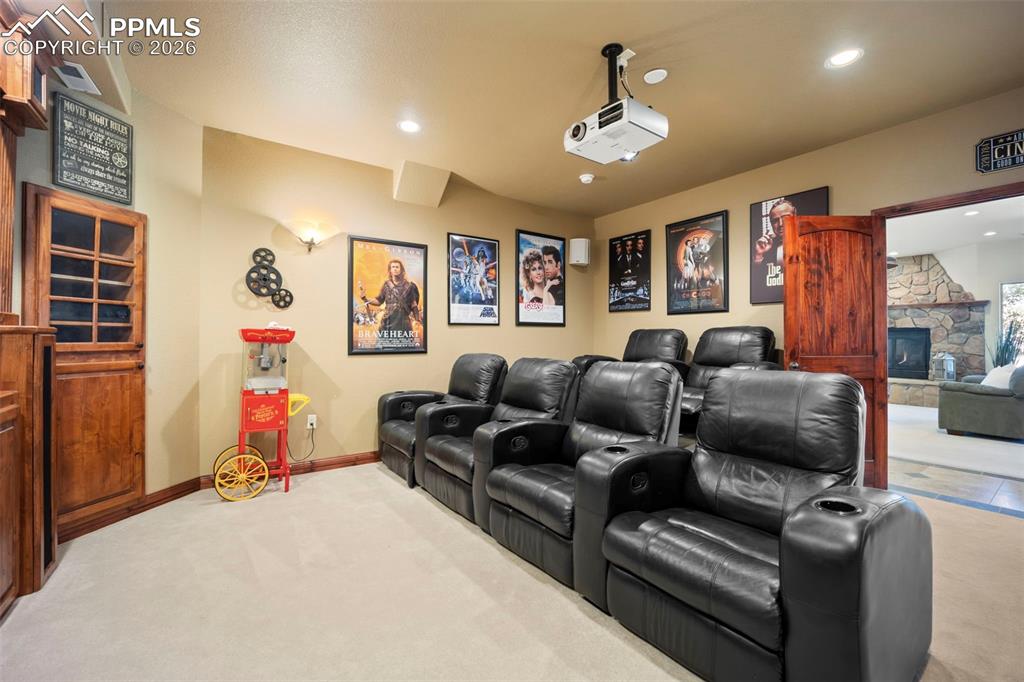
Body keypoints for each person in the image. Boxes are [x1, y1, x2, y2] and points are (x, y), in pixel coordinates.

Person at [358, 259, 422, 340]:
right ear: (390, 270)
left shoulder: (409, 286)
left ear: (401, 270)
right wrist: (365, 298)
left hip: (403, 322)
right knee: (384, 347)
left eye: (397, 267)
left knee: (405, 346)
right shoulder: (386, 285)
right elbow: (379, 301)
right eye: (393, 267)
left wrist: (417, 319)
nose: (395, 269)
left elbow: (413, 305)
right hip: (388, 321)